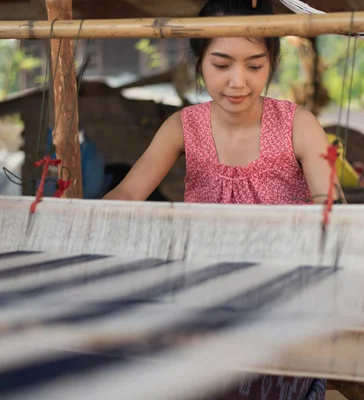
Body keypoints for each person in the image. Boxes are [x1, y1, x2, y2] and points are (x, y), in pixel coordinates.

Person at [104, 0, 341, 398]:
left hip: (281, 301)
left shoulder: (300, 126)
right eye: (221, 64)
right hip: (205, 300)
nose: (238, 81)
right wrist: (70, 223)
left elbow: (328, 205)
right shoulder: (182, 127)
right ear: (198, 62)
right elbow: (128, 193)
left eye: (254, 65)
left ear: (271, 63)